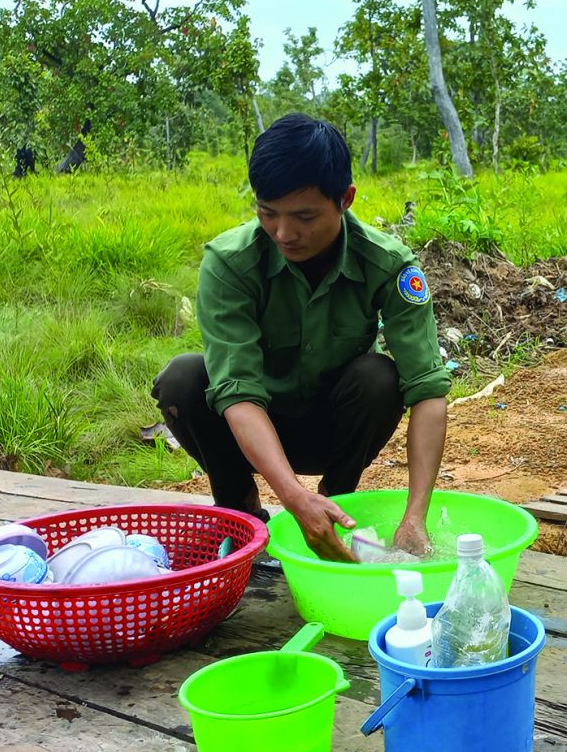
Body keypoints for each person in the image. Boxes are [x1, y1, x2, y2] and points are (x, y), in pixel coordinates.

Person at [152, 114, 450, 561]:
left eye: (304, 216)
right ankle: (243, 513)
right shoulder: (230, 263)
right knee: (184, 378)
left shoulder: (387, 265)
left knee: (379, 377)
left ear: (345, 199)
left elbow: (428, 391)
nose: (284, 234)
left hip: (331, 430)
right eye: (267, 213)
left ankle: (336, 502)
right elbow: (238, 393)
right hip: (251, 430)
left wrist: (415, 518)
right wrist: (291, 495)